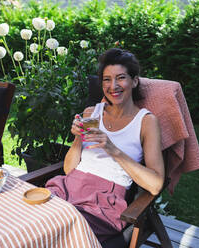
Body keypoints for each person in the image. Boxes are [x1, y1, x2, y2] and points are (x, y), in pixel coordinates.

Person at [45, 48, 165, 243]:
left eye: (121, 78)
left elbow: (155, 184)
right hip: (68, 188)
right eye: (107, 79)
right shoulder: (91, 113)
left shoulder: (146, 122)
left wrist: (113, 149)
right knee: (32, 223)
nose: (113, 86)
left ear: (134, 81)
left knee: (62, 238)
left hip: (102, 203)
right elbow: (69, 169)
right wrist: (77, 138)